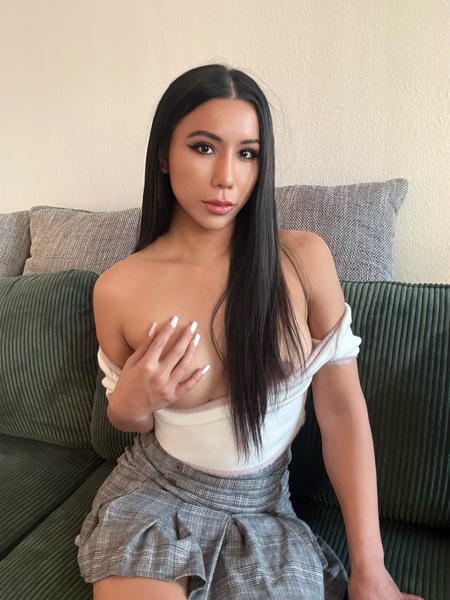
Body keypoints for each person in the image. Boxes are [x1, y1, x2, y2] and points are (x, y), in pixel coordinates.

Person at [77, 64, 423, 600]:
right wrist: (128, 405)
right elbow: (132, 418)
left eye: (247, 153)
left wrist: (371, 568)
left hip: (263, 510)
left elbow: (341, 410)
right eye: (203, 147)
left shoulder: (304, 260)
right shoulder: (118, 289)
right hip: (157, 497)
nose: (226, 177)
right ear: (164, 155)